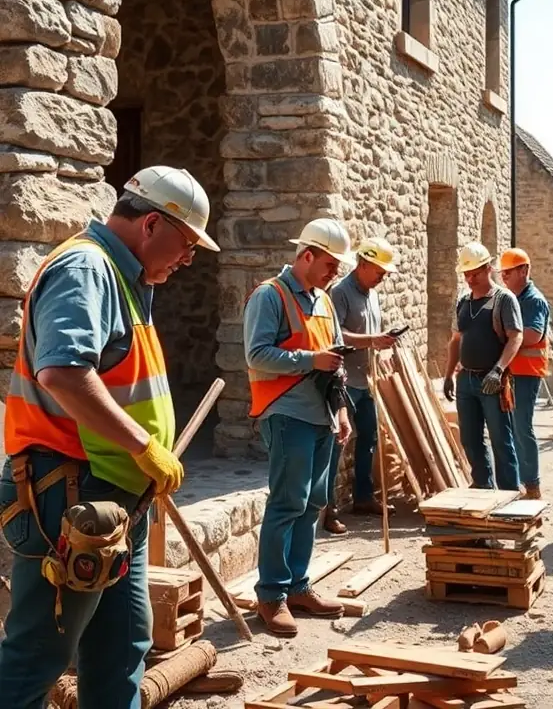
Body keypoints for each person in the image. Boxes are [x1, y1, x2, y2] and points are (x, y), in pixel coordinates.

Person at [0, 165, 218, 709]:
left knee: (122, 647)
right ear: (150, 225)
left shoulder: (127, 277)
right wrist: (143, 447)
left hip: (115, 500)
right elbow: (64, 372)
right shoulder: (85, 267)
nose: (189, 257)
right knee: (38, 655)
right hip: (68, 495)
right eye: (187, 242)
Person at [244, 218, 354, 637]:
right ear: (306, 255)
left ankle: (297, 586)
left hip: (322, 417)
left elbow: (336, 364)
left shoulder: (324, 301)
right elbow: (257, 355)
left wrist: (341, 411)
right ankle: (270, 595)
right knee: (288, 503)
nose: (334, 272)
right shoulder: (268, 296)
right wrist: (311, 360)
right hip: (286, 414)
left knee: (312, 505)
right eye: (330, 263)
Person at [324, 238, 400, 535]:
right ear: (364, 264)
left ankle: (364, 497)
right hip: (345, 382)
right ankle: (329, 511)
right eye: (380, 271)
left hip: (367, 381)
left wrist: (383, 345)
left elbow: (371, 331)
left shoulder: (371, 293)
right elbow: (336, 335)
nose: (383, 277)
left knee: (369, 439)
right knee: (337, 446)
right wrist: (372, 340)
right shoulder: (341, 292)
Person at [443, 242, 523, 491]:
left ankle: (509, 493)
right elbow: (456, 340)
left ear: (488, 268)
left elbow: (515, 337)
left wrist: (498, 370)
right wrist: (448, 375)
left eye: (475, 273)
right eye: (466, 274)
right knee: (470, 438)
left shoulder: (503, 300)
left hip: (493, 380)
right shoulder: (463, 302)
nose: (470, 278)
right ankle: (482, 487)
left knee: (501, 440)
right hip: (466, 379)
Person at [498, 248, 549, 500]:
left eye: (508, 272)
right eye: (502, 273)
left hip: (527, 373)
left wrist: (503, 335)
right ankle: (518, 481)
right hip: (512, 372)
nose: (504, 277)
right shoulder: (511, 297)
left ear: (524, 270)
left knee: (521, 427)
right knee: (510, 428)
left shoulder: (533, 300)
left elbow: (532, 335)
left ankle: (531, 485)